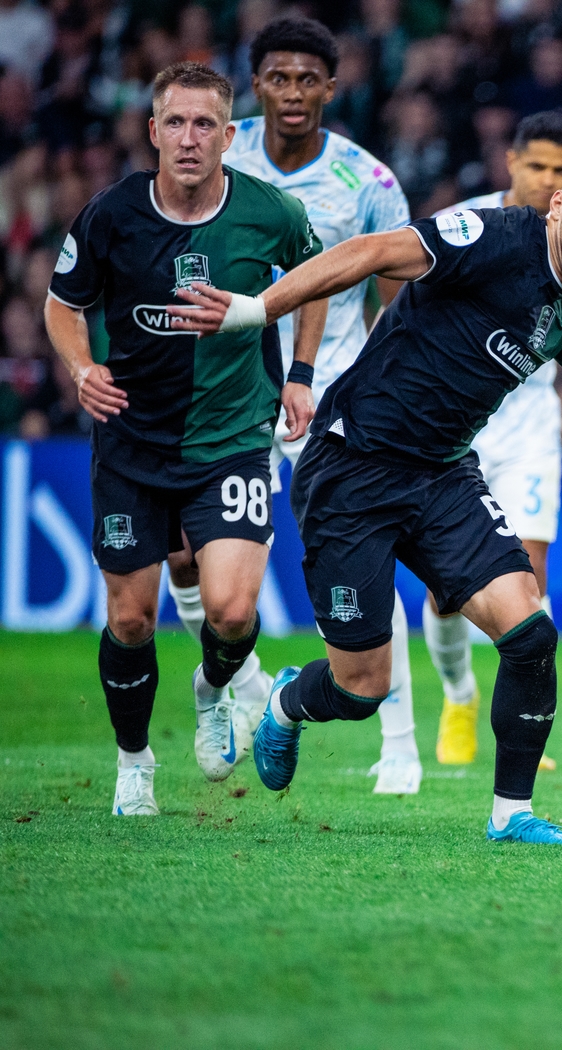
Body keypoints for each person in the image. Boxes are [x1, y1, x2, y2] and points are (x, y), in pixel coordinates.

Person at [170, 156, 562, 846]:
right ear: (558, 208)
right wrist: (256, 309)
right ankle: (287, 701)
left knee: (531, 634)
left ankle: (511, 814)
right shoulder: (492, 237)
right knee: (360, 689)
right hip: (352, 468)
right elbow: (370, 252)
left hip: (443, 476)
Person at [42, 62, 325, 814]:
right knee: (130, 618)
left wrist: (300, 374)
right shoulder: (112, 214)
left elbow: (317, 279)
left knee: (231, 613)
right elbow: (61, 304)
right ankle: (134, 762)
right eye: (175, 122)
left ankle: (213, 684)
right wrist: (81, 368)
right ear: (153, 131)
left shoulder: (270, 211)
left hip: (233, 437)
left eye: (205, 124)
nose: (189, 138)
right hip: (132, 442)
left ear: (229, 136)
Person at [177, 17, 419, 795]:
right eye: (278, 77)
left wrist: (377, 387)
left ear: (330, 89)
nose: (291, 92)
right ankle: (246, 688)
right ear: (256, 84)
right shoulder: (219, 152)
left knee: (365, 553)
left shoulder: (367, 182)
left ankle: (400, 745)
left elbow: (400, 302)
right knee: (184, 552)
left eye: (306, 79)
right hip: (225, 389)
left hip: (333, 395)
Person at [423, 112, 562, 772]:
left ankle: (519, 725)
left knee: (528, 576)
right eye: (537, 165)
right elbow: (401, 290)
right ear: (511, 162)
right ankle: (458, 695)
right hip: (453, 425)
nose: (548, 179)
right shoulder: (466, 225)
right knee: (445, 592)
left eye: (561, 170)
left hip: (527, 430)